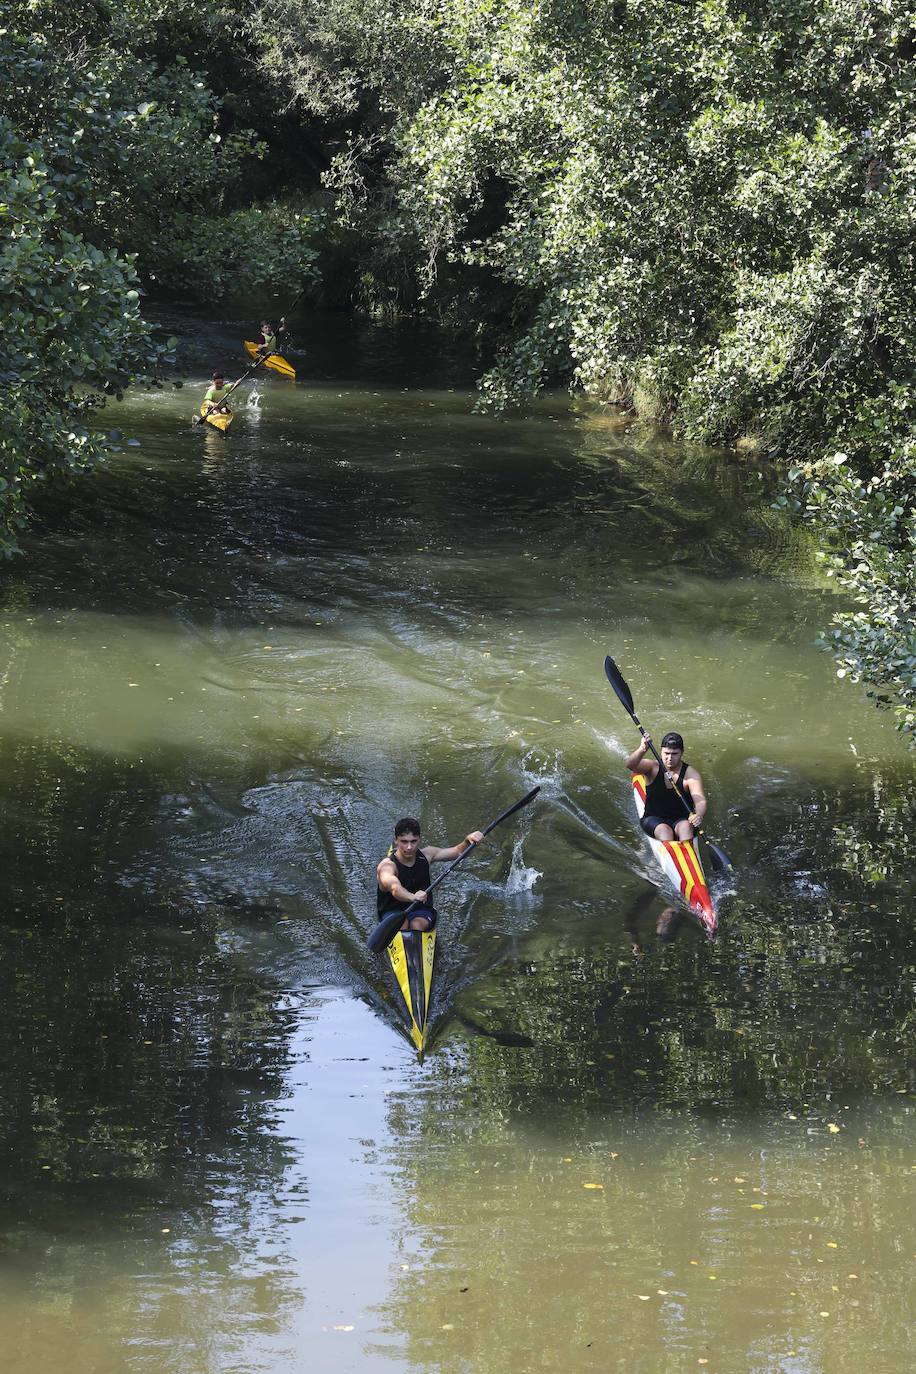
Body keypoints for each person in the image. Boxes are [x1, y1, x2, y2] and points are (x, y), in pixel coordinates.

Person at [377, 817, 486, 932]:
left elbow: (458, 852)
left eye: (413, 841)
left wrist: (467, 841)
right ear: (396, 840)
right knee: (402, 927)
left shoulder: (427, 854)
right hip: (393, 911)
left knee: (416, 926)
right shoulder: (387, 867)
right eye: (404, 842)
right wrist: (413, 897)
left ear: (420, 839)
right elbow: (395, 888)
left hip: (421, 909)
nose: (409, 847)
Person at [625, 729, 707, 842]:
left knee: (686, 828)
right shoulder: (652, 767)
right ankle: (670, 853)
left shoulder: (691, 775)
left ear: (682, 753)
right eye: (666, 753)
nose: (670, 758)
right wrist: (642, 749)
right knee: (665, 831)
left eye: (675, 754)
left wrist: (699, 815)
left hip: (682, 819)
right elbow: (630, 765)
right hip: (653, 818)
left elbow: (700, 801)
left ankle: (687, 852)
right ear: (661, 751)